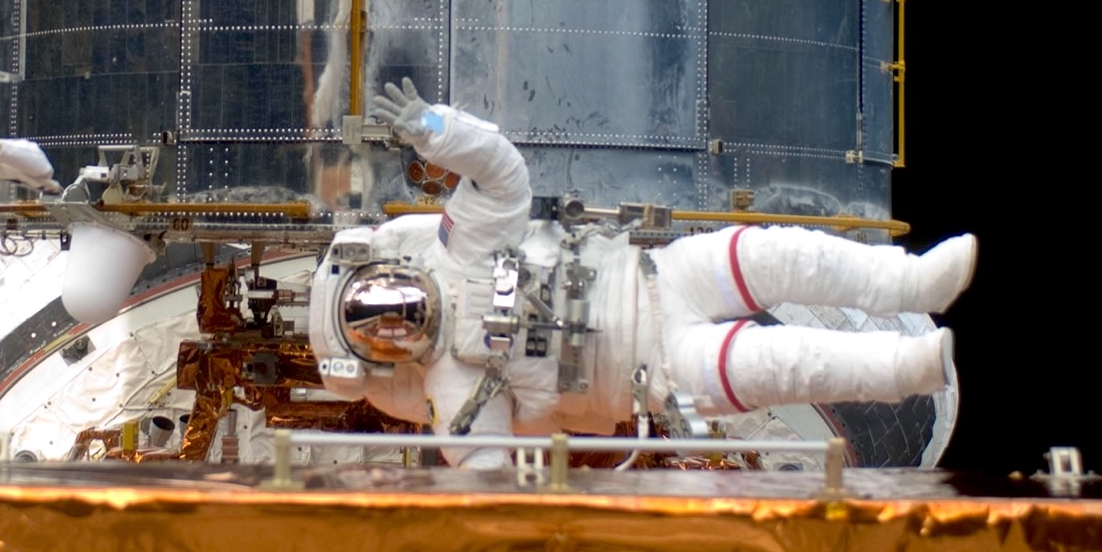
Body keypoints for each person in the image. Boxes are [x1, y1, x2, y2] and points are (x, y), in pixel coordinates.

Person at [309, 79, 976, 467]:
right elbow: (483, 471)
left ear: (390, 265)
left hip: (660, 276)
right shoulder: (452, 393)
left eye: (382, 296)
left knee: (782, 255)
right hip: (657, 370)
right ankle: (909, 368)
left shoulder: (462, 243)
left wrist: (433, 127)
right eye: (385, 326)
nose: (397, 312)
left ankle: (915, 284)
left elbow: (499, 168)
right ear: (385, 358)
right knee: (787, 361)